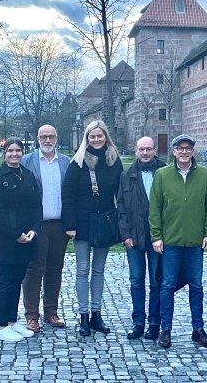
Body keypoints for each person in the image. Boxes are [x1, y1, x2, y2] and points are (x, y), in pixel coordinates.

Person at [149, 134, 207, 349]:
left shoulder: (205, 175)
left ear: (193, 151)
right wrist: (157, 236)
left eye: (188, 148)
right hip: (171, 241)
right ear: (174, 151)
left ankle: (198, 329)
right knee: (167, 285)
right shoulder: (162, 175)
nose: (184, 152)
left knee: (196, 286)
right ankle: (165, 329)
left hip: (195, 242)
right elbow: (155, 209)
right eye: (180, 148)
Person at [62, 120, 124, 336]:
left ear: (106, 137)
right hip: (81, 224)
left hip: (104, 222)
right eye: (92, 136)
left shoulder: (113, 161)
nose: (96, 139)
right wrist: (69, 224)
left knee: (99, 270)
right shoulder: (77, 162)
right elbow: (67, 194)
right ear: (86, 138)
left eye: (99, 136)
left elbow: (120, 193)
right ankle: (84, 316)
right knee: (82, 269)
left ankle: (97, 314)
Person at [0, 138, 42, 342]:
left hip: (27, 237)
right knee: (6, 281)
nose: (14, 154)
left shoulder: (27, 175)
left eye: (18, 150)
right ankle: (1, 325)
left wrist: (34, 230)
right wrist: (16, 233)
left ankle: (12, 321)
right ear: (4, 153)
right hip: (6, 239)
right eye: (10, 150)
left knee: (18, 280)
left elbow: (37, 205)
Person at [20, 124, 71, 332]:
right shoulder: (27, 161)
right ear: (37, 138)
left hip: (59, 226)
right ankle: (32, 315)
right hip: (36, 226)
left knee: (55, 270)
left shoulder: (67, 163)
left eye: (51, 137)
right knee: (33, 270)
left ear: (56, 138)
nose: (47, 141)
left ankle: (51, 312)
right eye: (44, 137)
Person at [117, 136, 166, 340]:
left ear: (155, 150)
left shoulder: (165, 172)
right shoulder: (127, 174)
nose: (145, 153)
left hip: (157, 237)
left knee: (156, 281)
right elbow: (121, 207)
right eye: (141, 149)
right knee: (136, 281)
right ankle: (138, 322)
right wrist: (126, 234)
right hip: (134, 237)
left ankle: (154, 323)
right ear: (136, 151)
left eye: (148, 149)